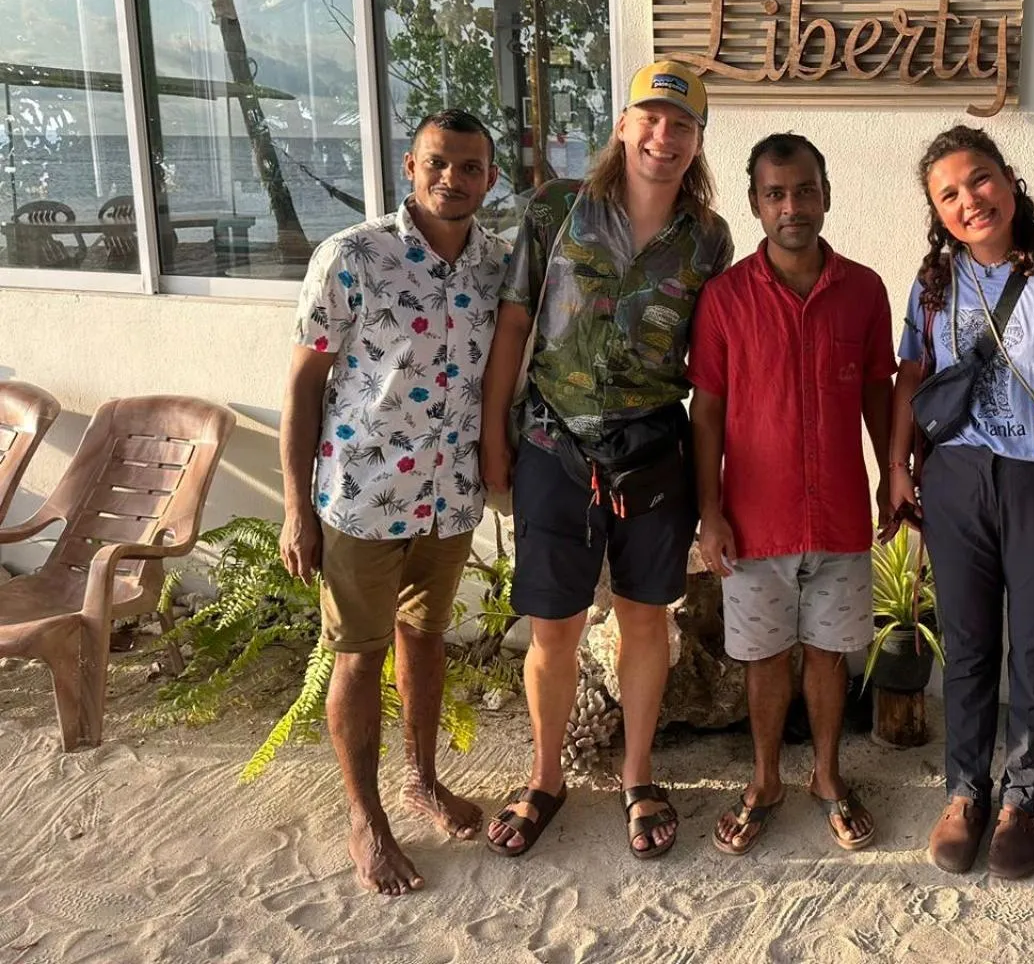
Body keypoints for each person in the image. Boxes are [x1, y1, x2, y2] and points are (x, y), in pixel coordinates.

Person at [479, 61, 733, 860]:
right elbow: (515, 326)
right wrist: (495, 438)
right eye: (651, 118)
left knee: (644, 619)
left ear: (696, 143)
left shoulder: (709, 238)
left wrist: (718, 487)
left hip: (653, 452)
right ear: (623, 125)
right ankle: (546, 776)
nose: (665, 136)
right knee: (553, 627)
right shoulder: (556, 208)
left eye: (682, 125)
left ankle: (636, 775)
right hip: (553, 447)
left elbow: (715, 368)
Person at [885, 125, 1034, 881]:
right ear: (937, 211)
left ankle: (1023, 799)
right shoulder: (934, 282)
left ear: (1008, 181)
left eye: (980, 179)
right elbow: (911, 376)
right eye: (950, 194)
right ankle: (966, 792)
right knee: (966, 644)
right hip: (958, 477)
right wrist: (897, 466)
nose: (970, 200)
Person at [280, 109, 508, 896]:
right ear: (410, 166)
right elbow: (306, 384)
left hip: (448, 500)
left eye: (471, 167)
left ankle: (421, 778)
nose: (453, 179)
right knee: (359, 653)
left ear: (491, 178)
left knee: (426, 639)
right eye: (438, 163)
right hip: (363, 499)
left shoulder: (496, 266)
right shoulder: (353, 257)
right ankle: (365, 817)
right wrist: (294, 508)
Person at [689, 132, 896, 856]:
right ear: (755, 205)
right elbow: (707, 412)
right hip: (754, 521)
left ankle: (829, 777)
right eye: (775, 194)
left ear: (826, 194)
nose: (791, 206)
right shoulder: (724, 300)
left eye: (804, 190)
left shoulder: (864, 291)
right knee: (764, 657)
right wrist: (709, 512)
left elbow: (879, 393)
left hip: (837, 516)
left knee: (830, 655)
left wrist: (891, 476)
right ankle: (768, 778)